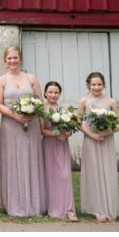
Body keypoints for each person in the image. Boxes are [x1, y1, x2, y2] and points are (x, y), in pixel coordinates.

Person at [0, 45, 47, 217]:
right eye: (9, 58)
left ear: (20, 58)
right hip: (10, 126)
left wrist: (34, 114)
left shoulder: (31, 78)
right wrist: (15, 115)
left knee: (30, 160)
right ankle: (14, 203)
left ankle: (34, 203)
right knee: (13, 161)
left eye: (15, 57)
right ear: (5, 60)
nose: (12, 60)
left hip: (30, 125)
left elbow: (39, 101)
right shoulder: (1, 80)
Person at [78, 71, 119, 222]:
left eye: (99, 84)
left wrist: (106, 132)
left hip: (106, 141)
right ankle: (98, 208)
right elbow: (77, 123)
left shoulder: (111, 102)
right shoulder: (84, 101)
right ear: (88, 85)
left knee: (107, 172)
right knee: (94, 172)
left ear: (104, 85)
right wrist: (92, 135)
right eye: (93, 84)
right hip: (91, 140)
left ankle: (110, 208)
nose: (96, 87)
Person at [40, 81, 78, 222]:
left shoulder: (65, 109)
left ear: (59, 94)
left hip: (62, 145)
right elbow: (42, 130)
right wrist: (57, 134)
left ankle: (69, 209)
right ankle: (52, 207)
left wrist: (66, 134)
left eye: (56, 92)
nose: (53, 95)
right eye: (50, 92)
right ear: (45, 93)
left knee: (64, 175)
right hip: (49, 144)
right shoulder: (42, 109)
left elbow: (70, 127)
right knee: (50, 176)